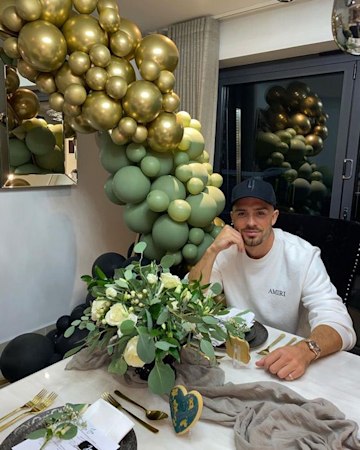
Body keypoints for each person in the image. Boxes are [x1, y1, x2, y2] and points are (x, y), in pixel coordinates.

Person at [189, 177, 356, 381]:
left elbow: (340, 323)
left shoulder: (303, 256)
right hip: (238, 359)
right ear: (232, 217)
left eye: (260, 213)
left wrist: (305, 350)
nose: (251, 222)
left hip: (291, 359)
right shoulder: (225, 252)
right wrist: (212, 250)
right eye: (242, 213)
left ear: (274, 217)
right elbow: (189, 303)